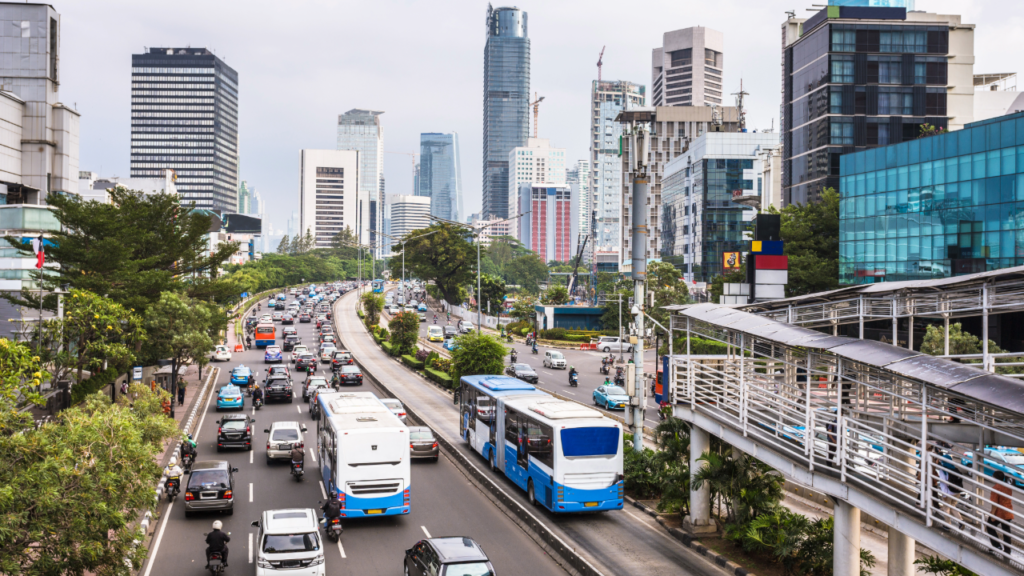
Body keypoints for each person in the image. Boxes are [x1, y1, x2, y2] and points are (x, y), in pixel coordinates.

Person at [987, 470, 1014, 552]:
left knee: (990, 527)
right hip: (1008, 512)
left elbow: (995, 503)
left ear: (995, 478)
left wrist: (992, 514)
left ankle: (996, 545)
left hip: (999, 513)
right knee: (1006, 531)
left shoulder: (996, 488)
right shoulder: (1008, 487)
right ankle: (1007, 550)